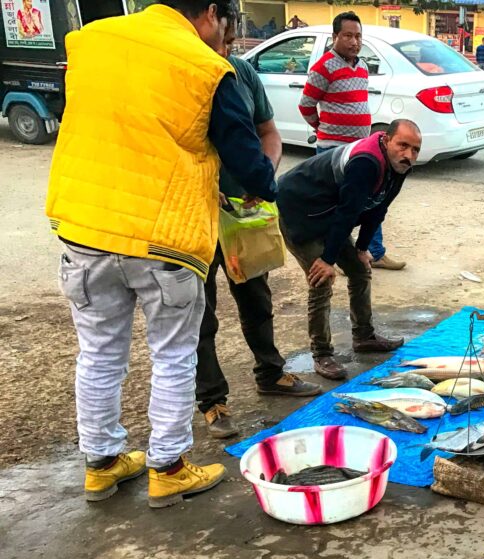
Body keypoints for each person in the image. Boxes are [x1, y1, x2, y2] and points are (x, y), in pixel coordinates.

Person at [46, 0, 278, 508]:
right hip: (163, 238)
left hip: (85, 229)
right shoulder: (204, 67)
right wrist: (265, 184)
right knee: (173, 355)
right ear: (212, 13)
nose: (225, 41)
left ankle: (101, 465)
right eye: (226, 28)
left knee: (99, 354)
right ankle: (168, 469)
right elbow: (249, 163)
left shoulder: (90, 41)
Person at [197, 21, 321, 440]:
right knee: (200, 312)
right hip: (195, 214)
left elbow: (269, 133)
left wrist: (263, 175)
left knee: (256, 298)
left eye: (232, 41)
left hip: (243, 212)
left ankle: (271, 373)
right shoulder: (182, 72)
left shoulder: (242, 73)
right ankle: (212, 401)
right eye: (223, 39)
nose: (226, 48)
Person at [277, 120, 421, 381]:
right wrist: (327, 259)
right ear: (387, 139)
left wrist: (362, 248)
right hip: (299, 211)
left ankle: (364, 336)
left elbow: (379, 208)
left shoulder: (400, 165)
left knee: (360, 269)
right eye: (403, 145)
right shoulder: (366, 162)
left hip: (331, 213)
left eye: (415, 149)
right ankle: (322, 353)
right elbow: (348, 211)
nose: (408, 155)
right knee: (321, 279)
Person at [300, 12, 406, 271]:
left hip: (361, 149)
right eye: (348, 36)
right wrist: (322, 128)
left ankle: (374, 252)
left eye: (358, 36)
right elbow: (306, 105)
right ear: (335, 36)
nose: (354, 42)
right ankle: (333, 256)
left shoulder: (362, 67)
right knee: (338, 207)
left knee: (373, 200)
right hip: (333, 150)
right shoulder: (323, 67)